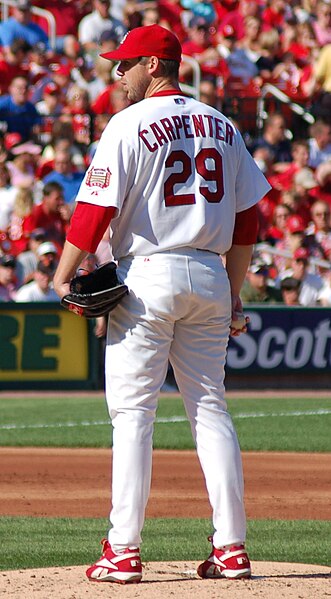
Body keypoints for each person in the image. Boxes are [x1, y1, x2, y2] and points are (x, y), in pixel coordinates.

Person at [53, 24, 271, 585]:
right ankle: (232, 549)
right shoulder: (222, 124)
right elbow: (248, 217)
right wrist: (234, 288)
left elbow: (92, 213)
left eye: (126, 64)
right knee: (209, 408)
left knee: (133, 417)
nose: (117, 72)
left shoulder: (128, 124)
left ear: (155, 65)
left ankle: (122, 551)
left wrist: (60, 276)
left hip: (148, 274)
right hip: (210, 274)